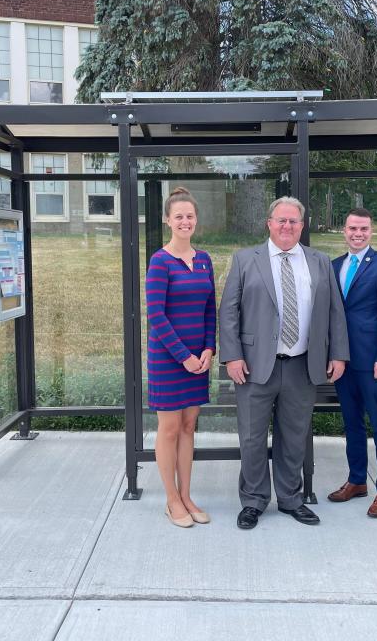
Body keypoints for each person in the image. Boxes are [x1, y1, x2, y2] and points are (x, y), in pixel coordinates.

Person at [219, 196, 349, 530]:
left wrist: (337, 354)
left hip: (302, 365)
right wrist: (232, 355)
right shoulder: (247, 259)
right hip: (254, 366)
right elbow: (228, 311)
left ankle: (292, 499)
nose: (287, 226)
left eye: (293, 221)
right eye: (281, 221)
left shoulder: (319, 262)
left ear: (302, 226)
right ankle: (253, 501)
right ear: (269, 223)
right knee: (251, 438)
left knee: (294, 437)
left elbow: (335, 311)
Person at [145, 187, 216, 528]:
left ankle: (187, 495)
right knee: (170, 428)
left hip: (197, 361)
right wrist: (184, 356)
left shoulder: (204, 260)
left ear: (196, 220)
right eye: (178, 216)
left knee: (190, 426)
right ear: (167, 221)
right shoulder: (160, 261)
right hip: (168, 360)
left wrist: (207, 349)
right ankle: (171, 499)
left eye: (190, 216)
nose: (185, 221)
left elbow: (209, 311)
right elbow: (156, 316)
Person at [327, 209, 377, 518]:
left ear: (371, 231)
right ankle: (357, 480)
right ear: (343, 231)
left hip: (372, 363)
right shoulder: (334, 266)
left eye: (363, 228)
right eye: (352, 228)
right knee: (352, 423)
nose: (357, 233)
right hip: (343, 362)